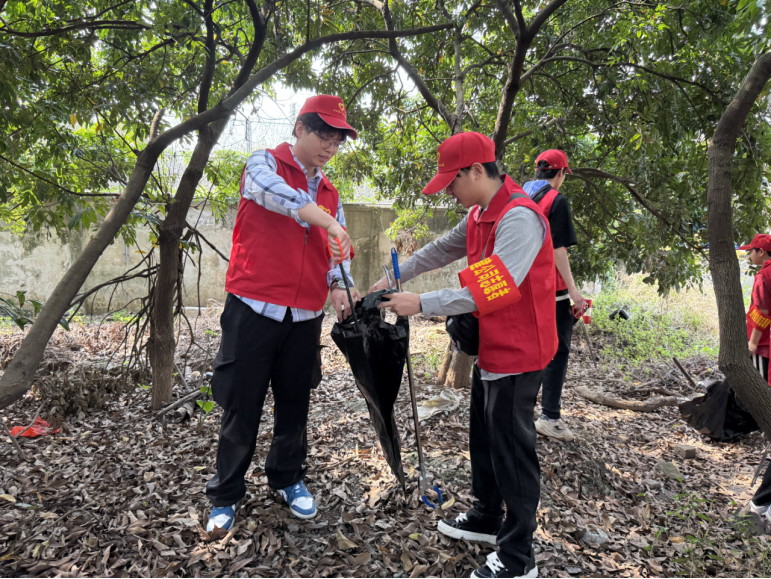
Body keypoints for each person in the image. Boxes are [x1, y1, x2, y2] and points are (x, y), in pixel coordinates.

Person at [370, 132, 556, 579]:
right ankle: (487, 518)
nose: (449, 193)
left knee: (512, 451)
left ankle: (518, 557)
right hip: (491, 349)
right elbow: (439, 250)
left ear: (476, 171)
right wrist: (390, 278)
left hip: (519, 351)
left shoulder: (519, 219)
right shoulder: (478, 214)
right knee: (485, 439)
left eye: (451, 183)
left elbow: (497, 285)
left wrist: (422, 303)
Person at [205, 95, 361, 533]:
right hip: (254, 308)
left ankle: (288, 478)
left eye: (337, 140)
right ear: (299, 128)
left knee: (295, 402)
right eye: (323, 135)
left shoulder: (331, 193)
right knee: (242, 402)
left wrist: (338, 285)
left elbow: (337, 253)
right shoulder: (264, 164)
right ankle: (226, 494)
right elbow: (281, 199)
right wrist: (328, 223)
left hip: (304, 317)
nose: (330, 146)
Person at [522, 150, 584, 443]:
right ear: (560, 174)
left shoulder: (519, 197)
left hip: (522, 288)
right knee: (557, 352)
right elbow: (558, 249)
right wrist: (574, 292)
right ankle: (550, 417)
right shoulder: (556, 201)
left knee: (528, 350)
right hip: (551, 290)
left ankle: (520, 412)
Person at [741, 234, 771, 520]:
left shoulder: (764, 276)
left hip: (766, 345)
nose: (750, 256)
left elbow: (763, 311)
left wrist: (753, 340)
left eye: (752, 252)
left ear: (762, 253)